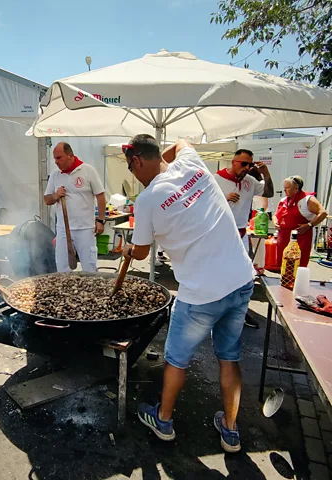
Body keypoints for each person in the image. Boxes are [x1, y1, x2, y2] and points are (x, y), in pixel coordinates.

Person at [121, 134, 254, 453]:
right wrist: (164, 159)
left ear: (137, 161)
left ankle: (163, 420)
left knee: (177, 360)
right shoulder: (191, 163)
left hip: (201, 294)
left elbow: (140, 253)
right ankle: (230, 429)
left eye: (131, 168)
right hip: (240, 280)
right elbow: (180, 141)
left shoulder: (147, 199)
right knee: (229, 357)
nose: (133, 175)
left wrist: (127, 248)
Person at [44, 142, 106, 272]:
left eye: (59, 157)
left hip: (85, 228)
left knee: (89, 267)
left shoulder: (87, 170)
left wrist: (100, 220)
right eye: (54, 158)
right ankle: (65, 291)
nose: (56, 161)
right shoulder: (56, 175)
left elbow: (100, 196)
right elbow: (47, 199)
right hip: (63, 229)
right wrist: (56, 195)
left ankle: (90, 291)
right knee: (62, 267)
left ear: (70, 155)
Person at [214, 149, 274, 251]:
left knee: (242, 266)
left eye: (250, 165)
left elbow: (269, 193)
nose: (247, 168)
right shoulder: (216, 179)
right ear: (234, 163)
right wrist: (224, 198)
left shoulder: (250, 180)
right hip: (221, 231)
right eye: (244, 164)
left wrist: (266, 174)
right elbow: (204, 203)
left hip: (241, 233)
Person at [273, 176, 327, 267]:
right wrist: (275, 222)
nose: (284, 190)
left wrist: (309, 225)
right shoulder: (283, 200)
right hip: (283, 238)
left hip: (300, 238)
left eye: (287, 187)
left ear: (296, 188)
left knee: (297, 266)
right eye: (284, 187)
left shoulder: (307, 200)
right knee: (283, 266)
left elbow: (323, 213)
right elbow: (275, 215)